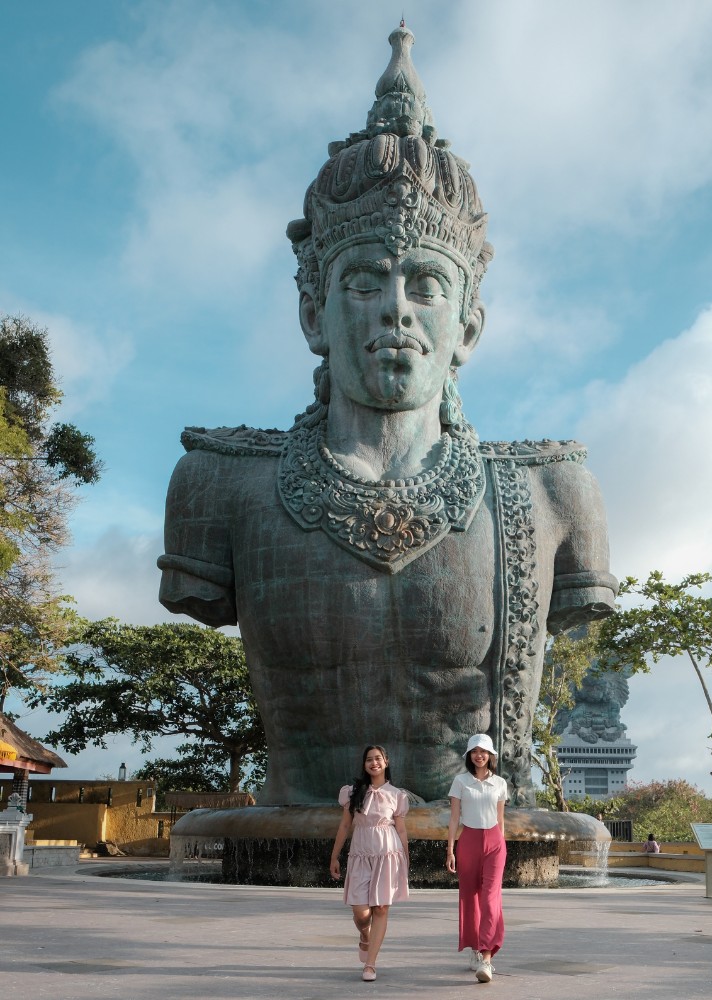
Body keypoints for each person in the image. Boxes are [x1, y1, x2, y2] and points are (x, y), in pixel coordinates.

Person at [158, 24, 618, 808]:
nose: (396, 311)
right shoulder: (218, 486)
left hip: (476, 840)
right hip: (298, 846)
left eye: (427, 286)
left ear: (468, 327)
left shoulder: (550, 495)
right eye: (365, 281)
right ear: (314, 314)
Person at [330, 745, 410, 982]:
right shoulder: (353, 792)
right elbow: (345, 826)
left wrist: (405, 858)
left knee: (382, 908)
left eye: (378, 759)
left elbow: (402, 830)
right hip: (360, 853)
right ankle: (365, 934)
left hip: (388, 853)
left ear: (386, 761)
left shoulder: (397, 795)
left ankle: (371, 964)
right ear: (364, 764)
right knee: (361, 912)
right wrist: (334, 856)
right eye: (369, 760)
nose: (373, 763)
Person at [447, 734, 508, 984]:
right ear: (469, 756)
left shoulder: (500, 783)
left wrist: (502, 845)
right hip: (468, 840)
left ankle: (486, 958)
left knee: (491, 897)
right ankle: (475, 947)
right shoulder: (460, 781)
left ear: (491, 755)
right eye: (474, 751)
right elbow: (453, 818)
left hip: (494, 842)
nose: (479, 755)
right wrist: (450, 850)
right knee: (469, 896)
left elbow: (501, 818)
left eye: (483, 751)